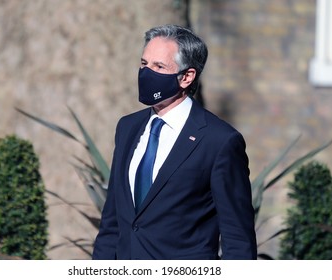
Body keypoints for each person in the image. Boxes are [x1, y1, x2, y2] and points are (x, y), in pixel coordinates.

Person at [92, 24, 257, 260]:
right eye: (144, 64)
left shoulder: (219, 141)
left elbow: (237, 237)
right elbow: (112, 221)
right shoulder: (127, 128)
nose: (147, 73)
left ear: (187, 77)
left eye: (159, 66)